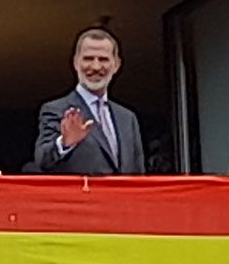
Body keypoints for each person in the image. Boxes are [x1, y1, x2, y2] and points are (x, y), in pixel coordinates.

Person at [33, 28, 145, 175]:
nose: (96, 66)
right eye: (88, 59)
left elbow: (138, 174)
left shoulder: (127, 118)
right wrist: (64, 143)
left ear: (116, 65)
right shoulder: (55, 110)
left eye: (103, 59)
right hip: (80, 197)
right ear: (75, 63)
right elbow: (42, 160)